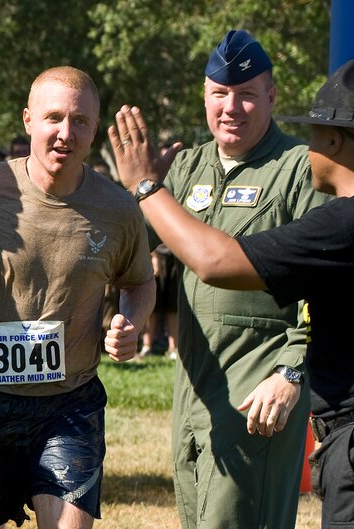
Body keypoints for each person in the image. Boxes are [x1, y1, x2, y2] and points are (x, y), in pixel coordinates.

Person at [0, 66, 156, 529]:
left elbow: (139, 281)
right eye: (53, 117)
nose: (65, 132)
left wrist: (131, 322)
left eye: (80, 121)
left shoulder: (118, 209)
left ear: (95, 129)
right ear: (28, 121)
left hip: (69, 403)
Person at [111, 56, 354, 529]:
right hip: (197, 383)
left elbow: (217, 262)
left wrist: (290, 369)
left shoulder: (309, 183)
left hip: (260, 387)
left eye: (245, 93)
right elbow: (131, 249)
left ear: (271, 97)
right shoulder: (187, 165)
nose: (231, 107)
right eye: (219, 94)